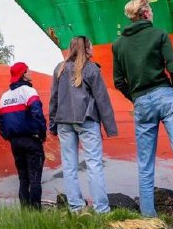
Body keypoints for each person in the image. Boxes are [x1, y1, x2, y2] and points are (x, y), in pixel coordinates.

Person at [112, 0, 173, 226]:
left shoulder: (118, 45)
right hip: (166, 96)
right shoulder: (159, 34)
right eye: (150, 10)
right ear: (144, 14)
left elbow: (119, 81)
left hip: (141, 102)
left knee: (145, 163)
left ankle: (148, 217)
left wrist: (135, 97)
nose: (152, 13)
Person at [49, 36, 118, 213]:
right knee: (94, 165)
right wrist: (110, 128)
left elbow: (54, 99)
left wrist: (52, 124)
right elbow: (103, 100)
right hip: (86, 121)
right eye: (91, 46)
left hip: (64, 122)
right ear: (86, 49)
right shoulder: (91, 69)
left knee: (69, 166)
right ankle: (101, 209)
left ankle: (76, 208)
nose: (93, 48)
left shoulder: (60, 68)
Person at [0, 62, 47, 209]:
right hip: (31, 140)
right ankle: (36, 214)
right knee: (35, 178)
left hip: (15, 143)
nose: (31, 73)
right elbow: (37, 113)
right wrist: (42, 134)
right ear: (23, 74)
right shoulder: (28, 91)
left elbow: (0, 120)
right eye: (28, 70)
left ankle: (25, 215)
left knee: (23, 179)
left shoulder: (4, 96)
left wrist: (7, 136)